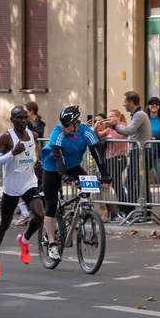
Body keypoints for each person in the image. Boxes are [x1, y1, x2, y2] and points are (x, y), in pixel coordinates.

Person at [41, 106, 112, 260]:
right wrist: (64, 177)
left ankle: (78, 214)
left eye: (67, 126)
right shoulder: (57, 134)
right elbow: (58, 158)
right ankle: (52, 243)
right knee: (51, 204)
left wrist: (105, 175)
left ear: (76, 124)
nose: (64, 128)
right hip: (52, 167)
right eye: (63, 126)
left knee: (87, 187)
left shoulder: (86, 132)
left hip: (73, 166)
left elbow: (97, 153)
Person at [0, 107, 45, 279]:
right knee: (4, 225)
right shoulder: (6, 137)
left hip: (29, 183)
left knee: (40, 215)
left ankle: (25, 240)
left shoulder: (33, 135)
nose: (23, 121)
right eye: (19, 118)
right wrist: (12, 153)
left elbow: (33, 153)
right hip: (11, 187)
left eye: (25, 118)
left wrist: (37, 162)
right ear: (12, 120)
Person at [104, 91, 151, 219]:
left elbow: (128, 131)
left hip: (141, 152)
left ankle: (130, 210)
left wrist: (115, 125)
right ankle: (141, 211)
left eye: (125, 102)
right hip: (137, 151)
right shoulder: (135, 115)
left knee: (132, 182)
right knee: (137, 182)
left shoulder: (139, 115)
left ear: (131, 102)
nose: (124, 104)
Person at [13, 102, 46, 226]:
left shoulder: (38, 125)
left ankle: (28, 211)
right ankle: (25, 211)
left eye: (25, 113)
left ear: (31, 111)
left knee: (28, 185)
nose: (23, 119)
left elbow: (37, 135)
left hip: (33, 157)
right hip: (23, 157)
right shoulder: (23, 127)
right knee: (22, 185)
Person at [94, 109, 128, 221]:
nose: (109, 119)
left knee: (117, 184)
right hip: (109, 159)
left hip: (119, 158)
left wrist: (113, 126)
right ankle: (119, 210)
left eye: (112, 116)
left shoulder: (122, 126)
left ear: (118, 117)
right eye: (108, 117)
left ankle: (124, 208)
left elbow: (118, 136)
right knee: (112, 185)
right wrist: (96, 127)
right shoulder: (109, 128)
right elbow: (98, 136)